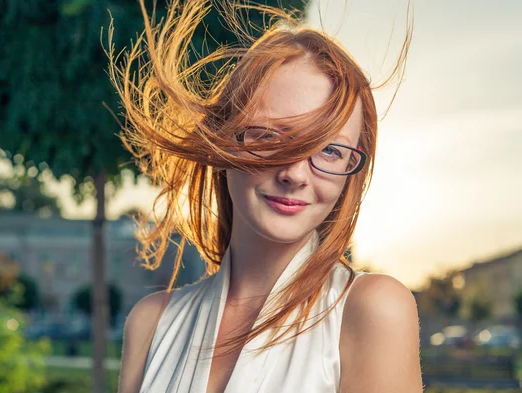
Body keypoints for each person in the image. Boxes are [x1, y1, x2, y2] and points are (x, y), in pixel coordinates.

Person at [107, 0, 423, 391]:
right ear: (222, 145)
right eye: (269, 137)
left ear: (350, 174)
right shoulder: (150, 323)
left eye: (329, 150)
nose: (294, 174)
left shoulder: (372, 308)